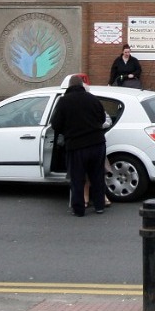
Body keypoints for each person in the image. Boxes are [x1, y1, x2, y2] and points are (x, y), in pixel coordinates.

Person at [50, 76, 109, 216]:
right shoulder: (93, 99)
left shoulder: (64, 101)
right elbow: (102, 119)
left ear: (69, 86)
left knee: (77, 179)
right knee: (97, 176)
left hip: (76, 145)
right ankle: (100, 206)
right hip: (97, 143)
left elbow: (55, 124)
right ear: (82, 85)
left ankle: (79, 210)